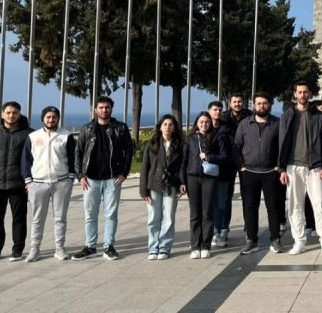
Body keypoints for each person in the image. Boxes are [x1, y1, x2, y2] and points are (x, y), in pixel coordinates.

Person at [72, 96, 134, 261]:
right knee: (90, 215)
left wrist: (124, 173)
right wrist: (80, 176)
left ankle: (109, 247)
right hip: (90, 179)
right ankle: (90, 246)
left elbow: (129, 151)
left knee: (111, 215)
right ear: (95, 109)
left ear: (111, 109)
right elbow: (78, 153)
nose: (104, 110)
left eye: (107, 107)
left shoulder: (120, 128)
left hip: (113, 179)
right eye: (101, 107)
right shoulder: (87, 129)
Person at [278, 81, 322, 255]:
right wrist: (281, 169)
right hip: (293, 166)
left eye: (305, 92)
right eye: (299, 92)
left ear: (310, 94)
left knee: (320, 204)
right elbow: (281, 142)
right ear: (295, 94)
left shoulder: (318, 115)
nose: (302, 95)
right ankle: (299, 241)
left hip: (315, 166)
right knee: (295, 206)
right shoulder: (287, 115)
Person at [22, 106, 75, 262]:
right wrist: (28, 180)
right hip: (38, 183)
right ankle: (34, 249)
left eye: (54, 117)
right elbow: (25, 160)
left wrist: (71, 178)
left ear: (58, 118)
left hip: (61, 182)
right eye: (48, 117)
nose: (51, 120)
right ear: (43, 119)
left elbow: (73, 157)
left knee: (60, 217)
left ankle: (60, 248)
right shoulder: (33, 136)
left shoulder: (66, 135)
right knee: (37, 218)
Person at [0, 101, 31, 262]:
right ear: (2, 114)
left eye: (15, 112)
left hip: (18, 184)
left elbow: (33, 159)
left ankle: (17, 250)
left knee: (19, 218)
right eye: (8, 112)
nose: (11, 115)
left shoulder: (28, 134)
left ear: (19, 114)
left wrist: (30, 181)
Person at [235, 92, 284, 254]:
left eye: (264, 103)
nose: (261, 106)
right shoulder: (244, 124)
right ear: (253, 105)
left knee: (273, 207)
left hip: (271, 172)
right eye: (258, 103)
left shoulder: (277, 123)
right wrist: (241, 166)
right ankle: (251, 240)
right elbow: (237, 146)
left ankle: (275, 239)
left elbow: (283, 146)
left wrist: (279, 166)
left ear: (270, 105)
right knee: (250, 207)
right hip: (249, 172)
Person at [140, 114, 184, 260]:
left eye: (170, 125)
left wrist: (182, 184)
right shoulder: (151, 145)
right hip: (154, 184)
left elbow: (182, 167)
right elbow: (145, 168)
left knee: (169, 217)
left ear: (174, 127)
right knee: (153, 217)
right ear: (160, 127)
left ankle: (165, 247)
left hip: (171, 184)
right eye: (165, 124)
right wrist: (143, 190)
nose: (167, 127)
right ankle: (153, 247)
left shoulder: (179, 146)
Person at [182, 111, 225, 259]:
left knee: (207, 213)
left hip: (209, 178)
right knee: (195, 213)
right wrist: (182, 181)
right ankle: (195, 245)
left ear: (210, 123)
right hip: (192, 177)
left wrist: (209, 157)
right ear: (197, 123)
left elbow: (224, 157)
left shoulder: (217, 137)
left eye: (207, 122)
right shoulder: (190, 139)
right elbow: (184, 160)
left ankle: (205, 245)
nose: (204, 124)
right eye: (201, 122)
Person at [209, 100, 237, 248]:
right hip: (207, 172)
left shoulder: (227, 128)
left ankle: (222, 229)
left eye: (220, 110)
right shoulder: (204, 126)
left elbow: (232, 149)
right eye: (215, 109)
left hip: (225, 171)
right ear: (209, 111)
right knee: (210, 202)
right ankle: (212, 230)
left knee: (223, 201)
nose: (218, 112)